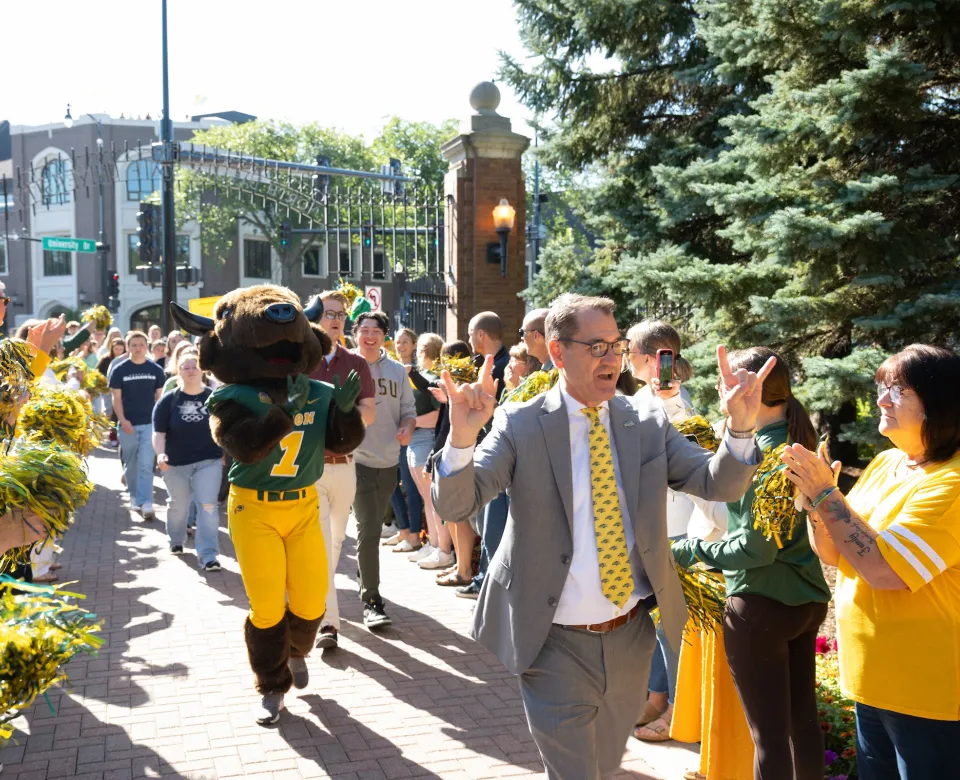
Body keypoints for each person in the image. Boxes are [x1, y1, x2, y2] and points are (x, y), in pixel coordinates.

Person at [432, 293, 771, 779]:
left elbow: (716, 481)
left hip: (631, 636)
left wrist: (739, 428)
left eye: (616, 345)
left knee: (604, 765)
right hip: (551, 640)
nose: (612, 359)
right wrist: (462, 439)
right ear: (557, 352)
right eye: (597, 348)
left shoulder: (647, 420)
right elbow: (457, 504)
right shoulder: (521, 423)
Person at [783, 344, 960, 779]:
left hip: (927, 693)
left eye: (898, 391)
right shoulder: (886, 463)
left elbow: (884, 570)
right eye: (882, 387)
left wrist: (828, 495)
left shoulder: (953, 481)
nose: (881, 399)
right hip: (872, 681)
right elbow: (833, 551)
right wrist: (816, 505)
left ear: (941, 403)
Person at [672, 347, 830, 780]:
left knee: (770, 738)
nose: (721, 388)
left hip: (761, 606)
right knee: (801, 728)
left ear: (752, 391)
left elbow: (755, 551)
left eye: (728, 382)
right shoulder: (797, 444)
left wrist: (688, 551)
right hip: (806, 601)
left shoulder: (759, 456)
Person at [625, 320, 697, 741]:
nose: (624, 359)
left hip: (674, 528)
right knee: (653, 619)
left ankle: (678, 711)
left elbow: (678, 434)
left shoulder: (676, 401)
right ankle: (656, 696)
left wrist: (666, 397)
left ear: (655, 358)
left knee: (672, 624)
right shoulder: (639, 395)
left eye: (630, 351)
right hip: (650, 525)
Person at [306, 291, 376, 651]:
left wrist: (345, 415)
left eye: (340, 315)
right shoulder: (302, 361)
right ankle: (328, 624)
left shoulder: (356, 363)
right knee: (320, 544)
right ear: (315, 317)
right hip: (312, 467)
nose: (335, 319)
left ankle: (312, 597)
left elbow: (369, 412)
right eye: (328, 313)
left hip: (346, 464)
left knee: (334, 544)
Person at [351, 311, 415, 629]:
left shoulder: (396, 372)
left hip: (389, 460)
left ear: (384, 336)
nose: (370, 336)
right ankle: (372, 602)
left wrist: (407, 427)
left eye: (376, 330)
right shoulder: (344, 367)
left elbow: (408, 410)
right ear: (356, 334)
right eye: (364, 330)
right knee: (369, 530)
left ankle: (365, 575)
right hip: (355, 459)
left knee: (372, 528)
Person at [452, 311, 511, 599]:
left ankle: (488, 581)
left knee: (491, 523)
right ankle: (485, 577)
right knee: (483, 521)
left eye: (470, 332)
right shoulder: (485, 364)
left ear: (481, 335)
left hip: (499, 455)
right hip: (484, 451)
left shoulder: (504, 367)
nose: (468, 338)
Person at [152, 348, 223, 570]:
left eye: (195, 367)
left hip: (208, 460)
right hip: (176, 463)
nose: (191, 371)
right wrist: (160, 454)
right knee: (178, 506)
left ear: (202, 370)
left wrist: (223, 452)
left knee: (208, 506)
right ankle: (176, 539)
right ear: (179, 371)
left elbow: (223, 427)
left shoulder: (213, 399)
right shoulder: (168, 401)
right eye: (186, 367)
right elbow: (159, 432)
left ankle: (208, 555)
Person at [392, 332, 443, 554]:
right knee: (426, 498)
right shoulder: (418, 375)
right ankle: (433, 545)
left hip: (424, 438)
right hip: (414, 439)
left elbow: (437, 416)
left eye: (420, 349)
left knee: (430, 498)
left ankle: (439, 547)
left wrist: (409, 423)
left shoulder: (431, 378)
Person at [109, 330, 166, 519]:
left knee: (145, 463)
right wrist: (123, 420)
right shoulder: (120, 370)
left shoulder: (155, 370)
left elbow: (160, 399)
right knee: (131, 463)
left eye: (141, 344)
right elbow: (116, 399)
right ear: (128, 347)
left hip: (149, 424)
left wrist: (159, 424)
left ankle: (146, 502)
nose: (138, 348)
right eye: (134, 345)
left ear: (147, 345)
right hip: (127, 425)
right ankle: (134, 496)